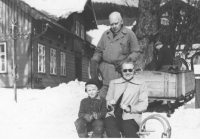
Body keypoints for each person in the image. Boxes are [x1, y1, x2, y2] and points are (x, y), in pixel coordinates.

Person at [90, 11, 140, 98]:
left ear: (121, 21)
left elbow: (136, 52)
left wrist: (126, 61)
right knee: (102, 100)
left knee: (117, 100)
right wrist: (95, 60)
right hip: (104, 73)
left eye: (116, 23)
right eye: (111, 24)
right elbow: (98, 50)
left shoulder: (129, 34)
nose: (114, 26)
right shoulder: (105, 34)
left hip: (119, 73)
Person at [104, 58, 149, 138]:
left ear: (133, 70)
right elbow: (108, 100)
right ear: (121, 71)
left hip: (131, 117)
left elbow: (143, 104)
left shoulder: (141, 84)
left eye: (130, 70)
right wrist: (110, 104)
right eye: (125, 70)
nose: (127, 72)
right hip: (114, 115)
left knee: (128, 128)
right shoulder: (114, 83)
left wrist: (129, 108)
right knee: (109, 123)